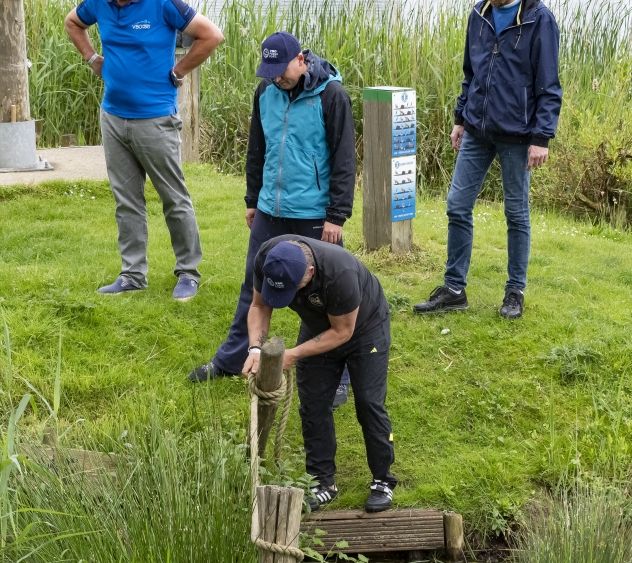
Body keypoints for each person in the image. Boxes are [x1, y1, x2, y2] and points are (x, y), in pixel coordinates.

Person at [188, 32, 355, 407]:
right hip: (269, 210)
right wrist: (252, 198)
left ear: (301, 60)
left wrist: (337, 215)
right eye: (271, 71)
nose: (276, 77)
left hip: (315, 215)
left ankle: (338, 376)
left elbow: (344, 160)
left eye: (281, 71)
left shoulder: (332, 96)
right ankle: (233, 359)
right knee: (254, 286)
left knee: (326, 298)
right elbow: (257, 149)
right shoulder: (265, 93)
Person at [64, 0, 223, 301]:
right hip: (112, 116)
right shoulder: (99, 3)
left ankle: (188, 272)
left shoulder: (164, 4)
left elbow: (211, 35)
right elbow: (73, 22)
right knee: (126, 200)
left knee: (174, 198)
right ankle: (132, 275)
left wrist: (178, 72)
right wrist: (92, 58)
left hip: (155, 118)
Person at [413, 0, 561, 319]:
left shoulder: (539, 19)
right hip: (477, 129)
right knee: (457, 205)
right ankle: (454, 290)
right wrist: (460, 118)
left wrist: (541, 138)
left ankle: (514, 291)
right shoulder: (479, 14)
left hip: (519, 135)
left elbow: (549, 86)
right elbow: (472, 72)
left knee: (516, 213)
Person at [243, 236, 396, 513]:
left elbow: (343, 332)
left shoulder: (340, 272)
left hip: (363, 330)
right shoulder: (269, 257)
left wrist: (294, 354)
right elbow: (259, 306)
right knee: (313, 405)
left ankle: (382, 480)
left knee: (368, 403)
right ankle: (323, 483)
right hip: (317, 327)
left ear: (310, 273)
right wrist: (255, 348)